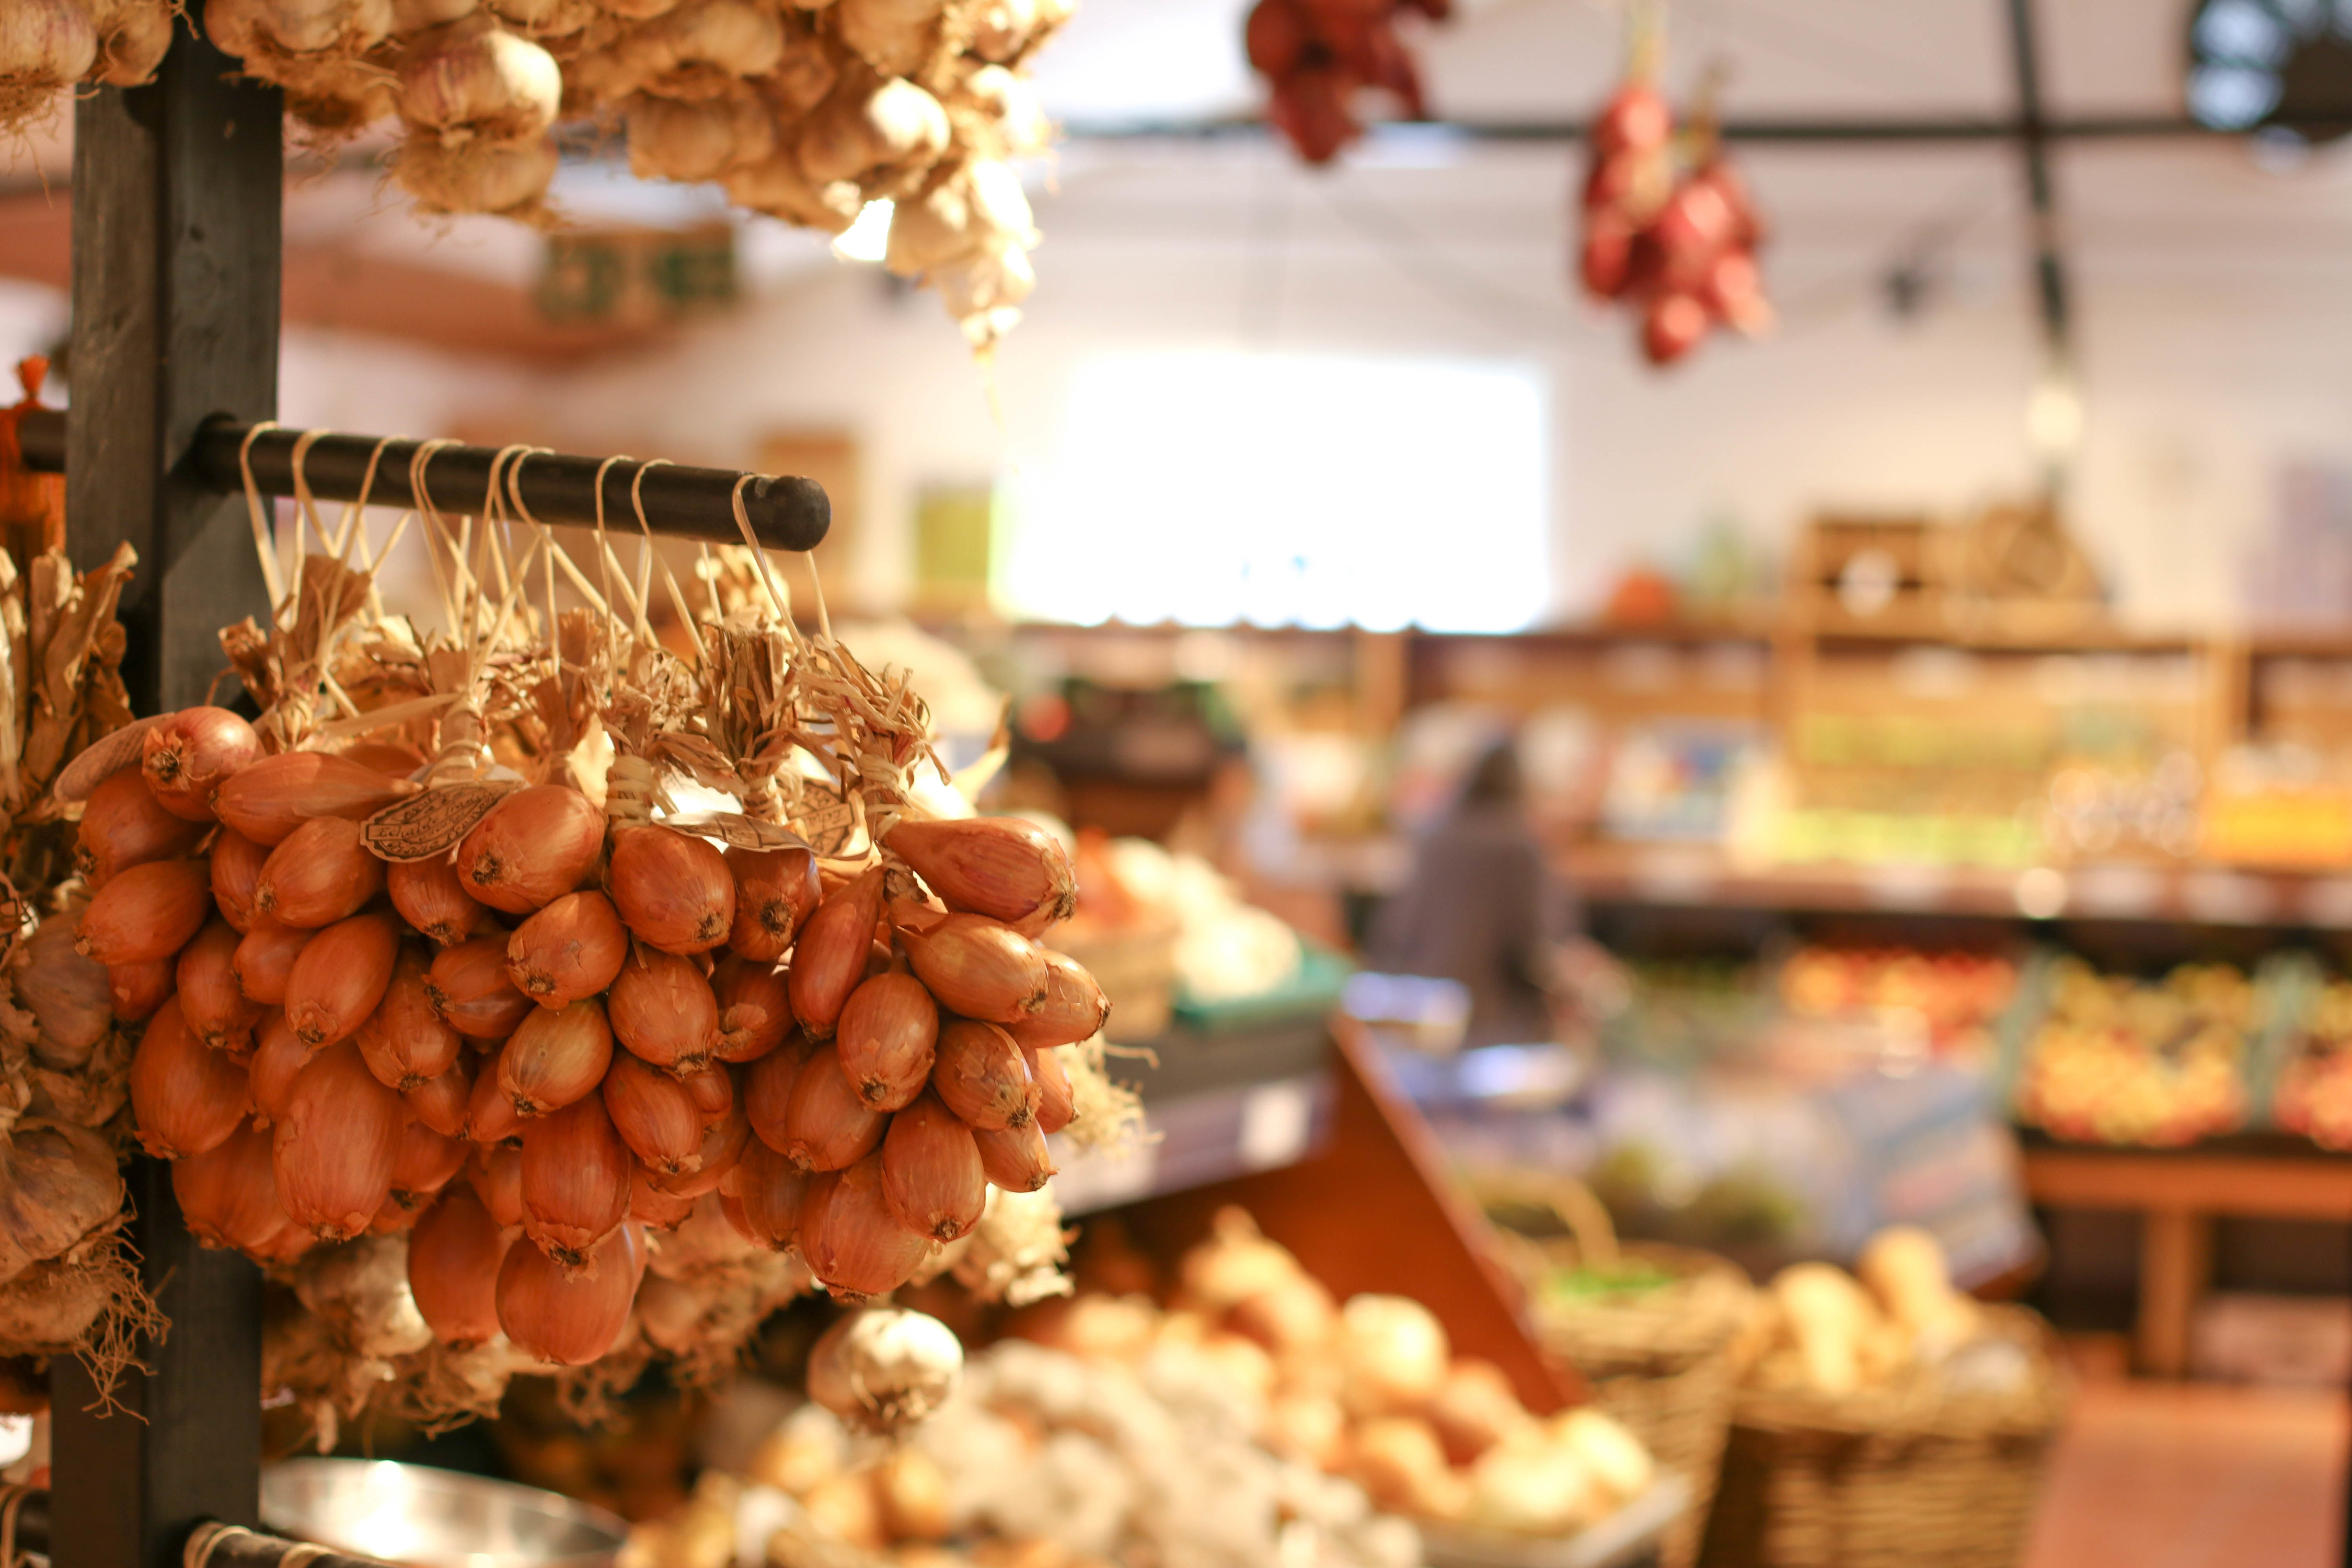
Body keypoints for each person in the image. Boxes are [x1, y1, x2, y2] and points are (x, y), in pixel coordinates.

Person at [1369, 738, 1585, 1050]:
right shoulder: (1521, 846)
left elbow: (1396, 928)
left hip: (1422, 1005)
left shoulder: (1432, 836)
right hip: (1495, 1017)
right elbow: (1538, 940)